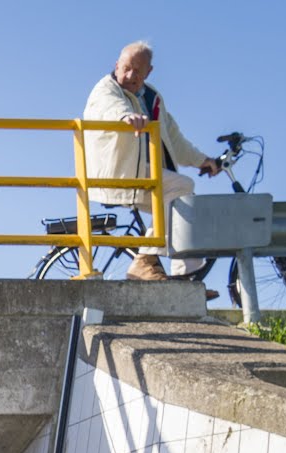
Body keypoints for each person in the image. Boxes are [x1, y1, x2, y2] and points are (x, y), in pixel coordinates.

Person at [83, 40, 221, 282]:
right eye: (126, 68)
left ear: (149, 72)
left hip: (144, 174)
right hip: (119, 173)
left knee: (182, 204)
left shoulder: (152, 97)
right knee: (182, 187)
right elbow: (110, 109)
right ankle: (144, 260)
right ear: (116, 65)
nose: (130, 75)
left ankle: (186, 278)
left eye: (138, 71)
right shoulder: (106, 90)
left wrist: (203, 161)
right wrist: (126, 116)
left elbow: (174, 140)